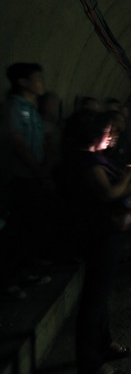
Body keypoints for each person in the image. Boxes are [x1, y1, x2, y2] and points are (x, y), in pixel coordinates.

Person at [60, 109, 131, 374]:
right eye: (108, 131)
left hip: (105, 233)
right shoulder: (86, 161)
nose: (112, 136)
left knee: (101, 293)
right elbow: (109, 193)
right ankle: (90, 363)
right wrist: (130, 176)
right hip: (98, 235)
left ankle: (104, 343)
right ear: (93, 133)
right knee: (94, 299)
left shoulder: (93, 158)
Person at [1, 63, 51, 298]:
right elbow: (18, 142)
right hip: (21, 176)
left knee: (32, 226)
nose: (41, 83)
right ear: (22, 82)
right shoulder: (14, 107)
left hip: (33, 174)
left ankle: (24, 272)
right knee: (19, 228)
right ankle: (9, 280)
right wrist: (37, 169)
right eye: (37, 78)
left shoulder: (31, 108)